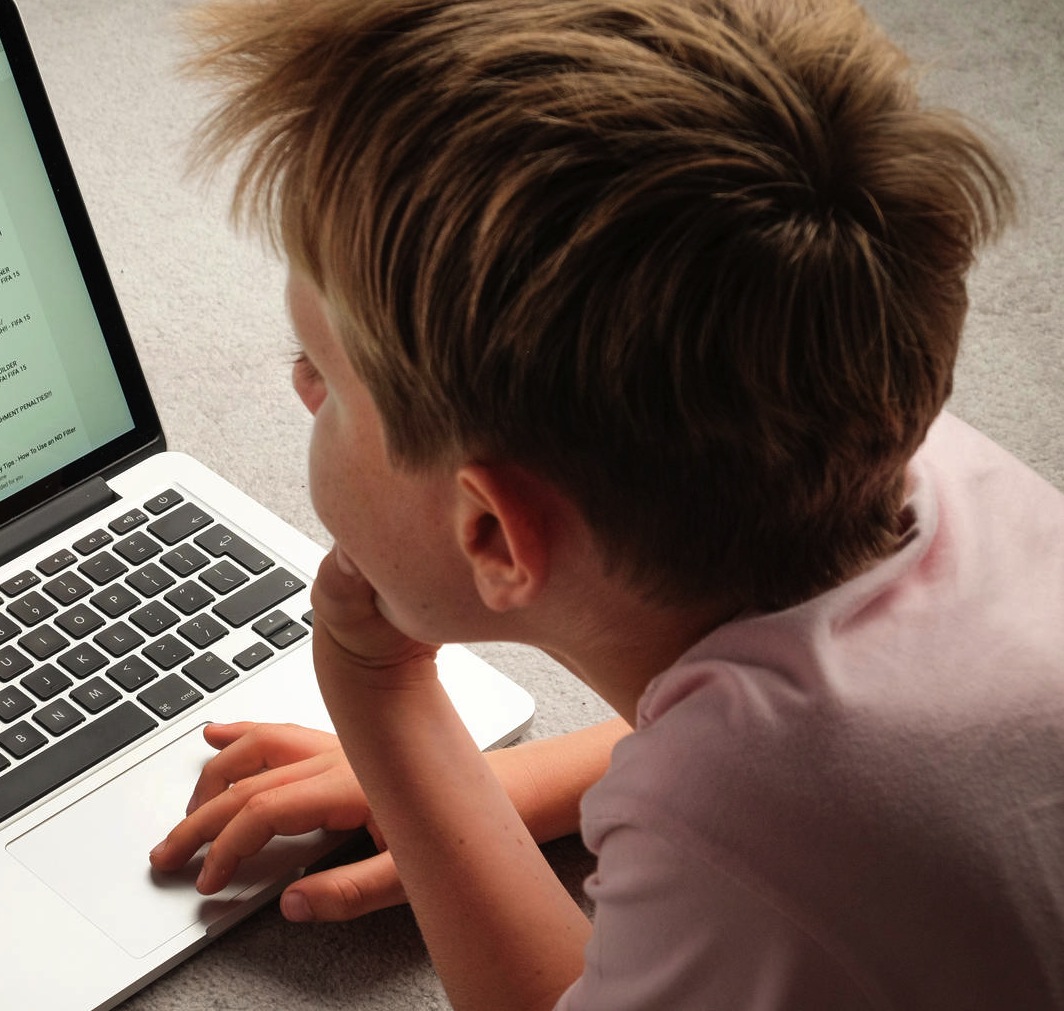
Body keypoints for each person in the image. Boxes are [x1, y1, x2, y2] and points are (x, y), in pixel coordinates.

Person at [149, 0, 1064, 1007]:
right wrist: (499, 794)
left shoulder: (741, 845)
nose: (301, 394)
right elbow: (805, 726)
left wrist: (382, 700)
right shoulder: (919, 463)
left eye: (316, 370)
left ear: (491, 533)